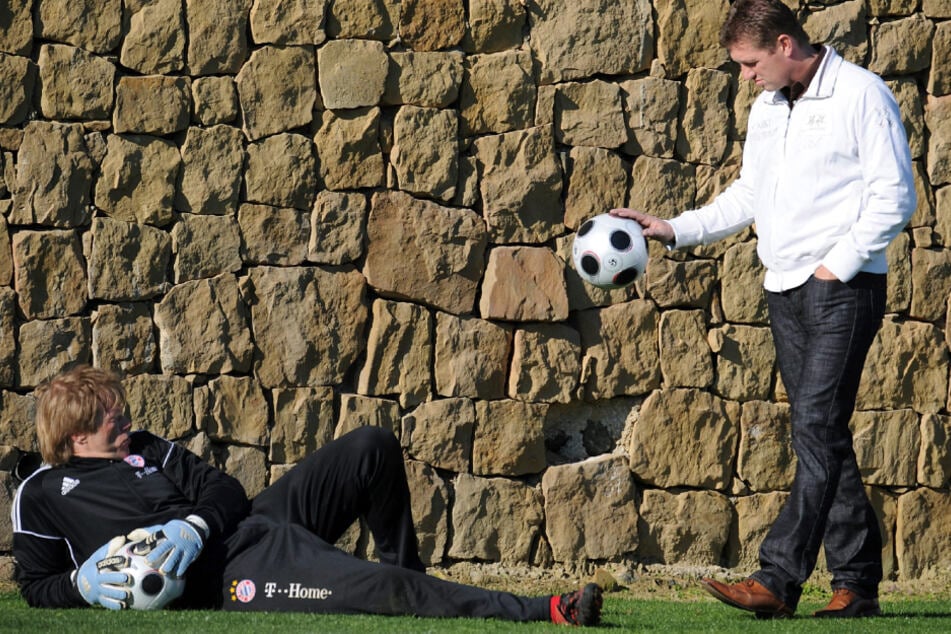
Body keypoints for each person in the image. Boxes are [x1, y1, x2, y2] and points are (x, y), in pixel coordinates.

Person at [612, 0, 914, 620]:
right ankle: (856, 585)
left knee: (815, 428)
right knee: (823, 434)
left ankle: (777, 577)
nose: (745, 76)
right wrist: (670, 228)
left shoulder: (861, 93)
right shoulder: (768, 108)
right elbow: (747, 195)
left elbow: (895, 194)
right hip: (784, 290)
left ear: (783, 45)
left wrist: (839, 263)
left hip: (842, 289)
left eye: (750, 64)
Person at [11, 364, 602, 626]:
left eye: (119, 406)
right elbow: (36, 589)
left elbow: (223, 490)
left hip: (245, 527)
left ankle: (408, 580)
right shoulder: (41, 494)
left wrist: (190, 527)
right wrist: (81, 586)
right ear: (75, 435)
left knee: (370, 444)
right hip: (230, 578)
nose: (124, 416)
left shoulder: (147, 446)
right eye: (110, 415)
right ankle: (547, 610)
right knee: (373, 587)